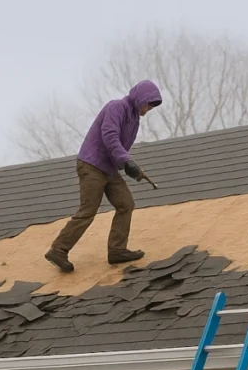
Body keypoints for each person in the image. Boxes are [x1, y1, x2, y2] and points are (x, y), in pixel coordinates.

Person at [44, 80, 163, 273]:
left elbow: (121, 148)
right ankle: (58, 250)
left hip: (109, 169)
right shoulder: (116, 107)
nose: (149, 108)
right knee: (88, 210)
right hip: (91, 165)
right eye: (148, 103)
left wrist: (129, 166)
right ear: (140, 98)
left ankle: (117, 250)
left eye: (152, 105)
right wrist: (126, 160)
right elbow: (109, 136)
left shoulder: (134, 120)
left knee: (126, 204)